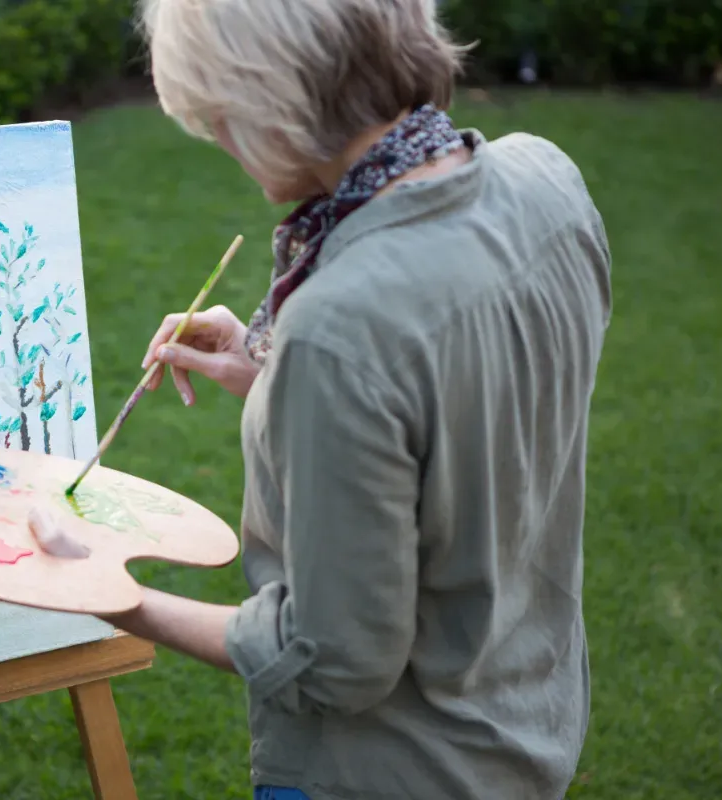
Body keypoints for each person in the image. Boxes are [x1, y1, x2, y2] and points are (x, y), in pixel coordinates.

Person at [73, 1, 612, 797]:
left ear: (268, 103)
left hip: (391, 768)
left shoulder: (341, 330)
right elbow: (466, 415)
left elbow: (335, 658)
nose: (222, 143)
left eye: (218, 119)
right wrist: (278, 370)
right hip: (526, 722)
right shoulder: (547, 182)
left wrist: (119, 600)